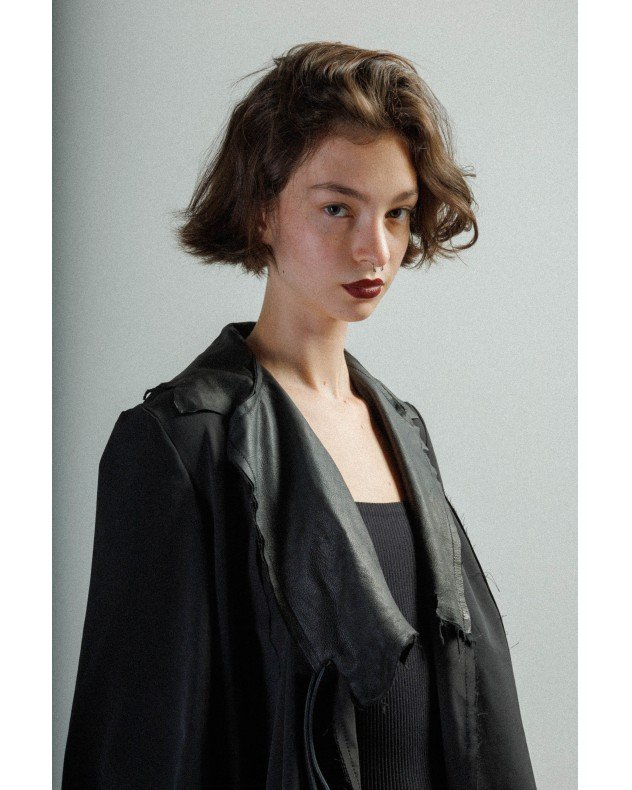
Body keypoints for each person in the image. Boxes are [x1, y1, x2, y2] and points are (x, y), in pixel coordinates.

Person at [62, 41, 537, 789]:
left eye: (397, 213)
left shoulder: (402, 430)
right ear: (262, 211)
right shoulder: (182, 444)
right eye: (337, 208)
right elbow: (138, 747)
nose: (374, 249)